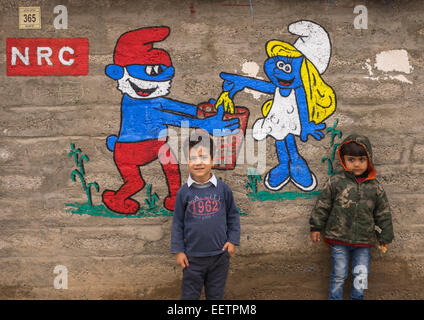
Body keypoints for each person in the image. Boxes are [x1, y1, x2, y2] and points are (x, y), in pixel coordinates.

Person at [309, 133, 394, 300]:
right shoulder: (336, 181)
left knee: (361, 276)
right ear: (343, 159)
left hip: (364, 241)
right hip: (338, 238)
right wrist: (316, 227)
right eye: (351, 159)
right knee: (339, 275)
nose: (356, 164)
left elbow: (383, 212)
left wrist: (385, 235)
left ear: (368, 160)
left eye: (362, 160)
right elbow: (323, 205)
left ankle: (358, 297)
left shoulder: (375, 186)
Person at [170, 132, 241, 300]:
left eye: (203, 157)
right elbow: (177, 223)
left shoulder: (223, 189)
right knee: (189, 295)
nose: (198, 162)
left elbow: (233, 215)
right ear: (187, 162)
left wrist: (232, 240)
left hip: (219, 256)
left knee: (216, 295)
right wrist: (178, 250)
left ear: (213, 160)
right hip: (192, 258)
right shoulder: (184, 192)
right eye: (193, 158)